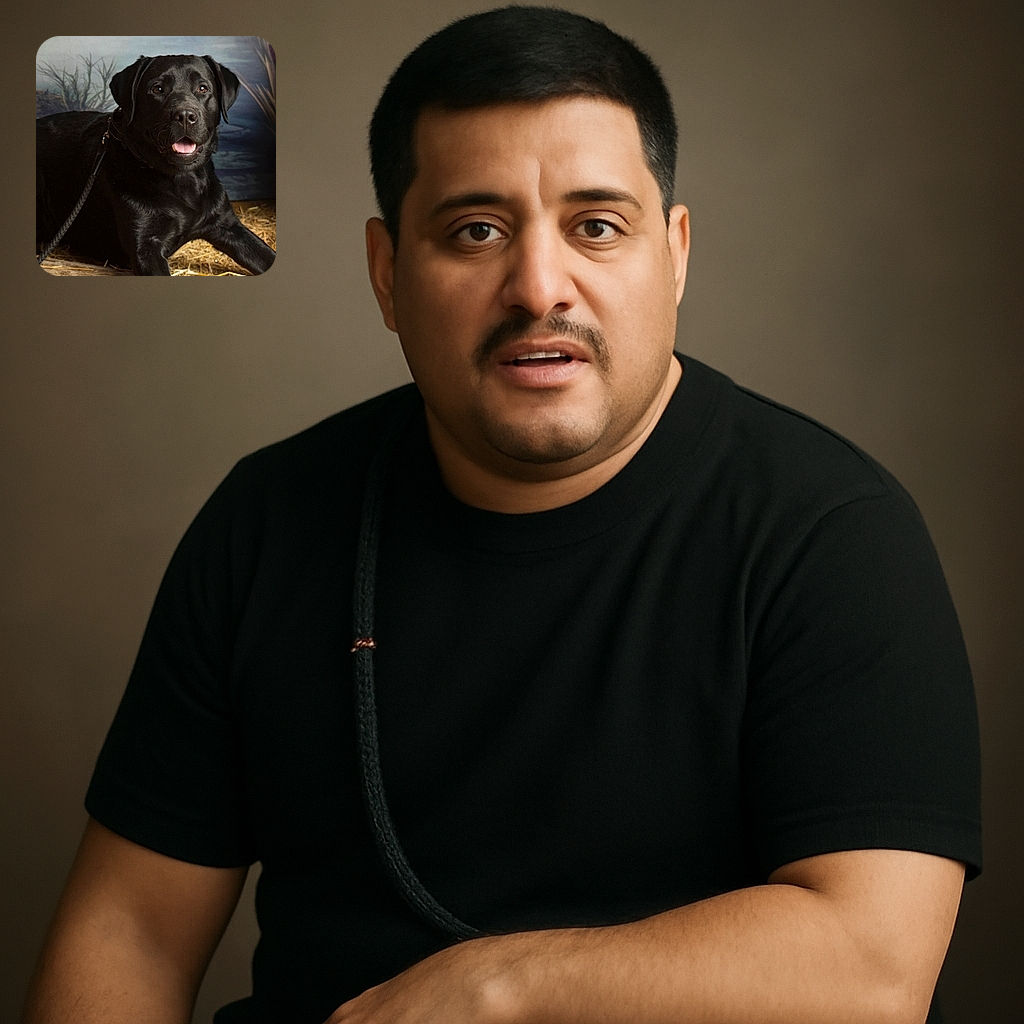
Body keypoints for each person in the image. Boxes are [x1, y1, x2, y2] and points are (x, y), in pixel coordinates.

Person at [22, 7, 981, 1024]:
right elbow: (127, 930)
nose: (536, 287)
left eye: (596, 226)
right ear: (388, 273)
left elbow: (871, 968)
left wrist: (499, 987)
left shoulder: (831, 531)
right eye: (475, 230)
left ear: (676, 252)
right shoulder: (266, 519)